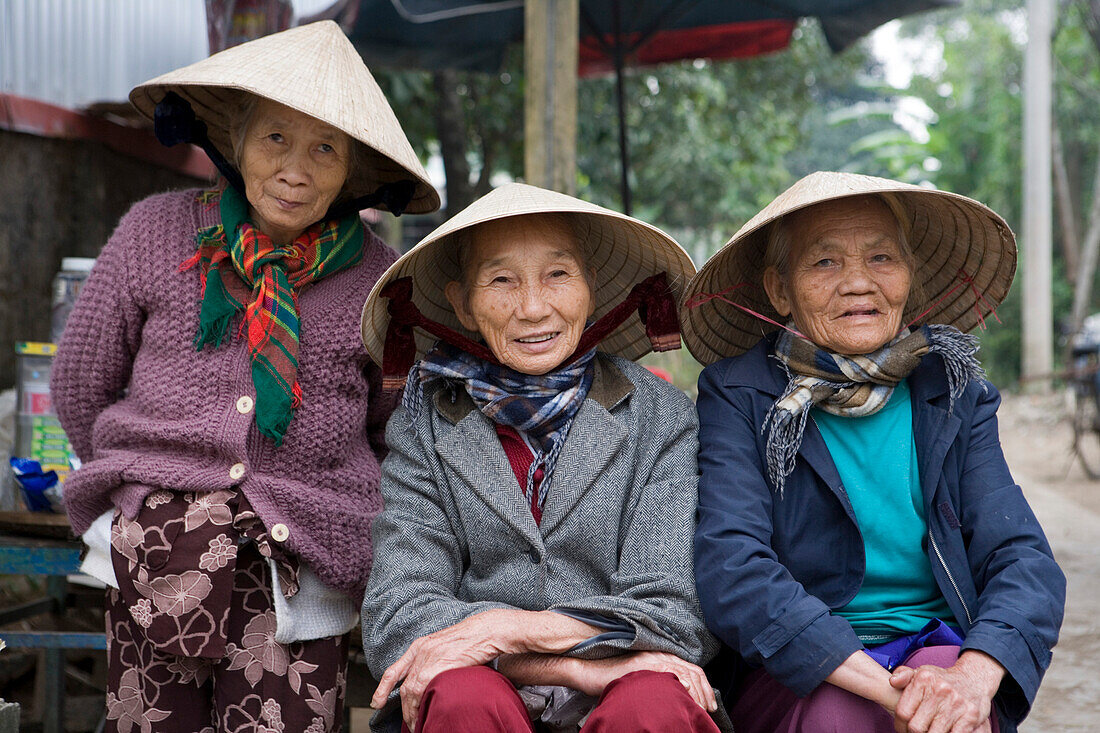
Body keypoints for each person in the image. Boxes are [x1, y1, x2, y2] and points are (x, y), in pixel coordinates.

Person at [50, 21, 438, 732]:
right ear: (236, 143)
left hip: (306, 560)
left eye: (325, 148)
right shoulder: (155, 231)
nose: (296, 168)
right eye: (276, 140)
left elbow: (401, 429)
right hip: (155, 553)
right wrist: (136, 483)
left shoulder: (379, 280)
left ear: (352, 170)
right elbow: (80, 385)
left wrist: (350, 510)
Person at [681, 172, 1065, 733]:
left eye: (882, 258)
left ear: (910, 276)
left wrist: (971, 680)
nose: (859, 283)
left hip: (938, 646)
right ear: (779, 290)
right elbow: (733, 568)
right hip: (801, 663)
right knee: (841, 718)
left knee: (953, 722)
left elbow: (1023, 559)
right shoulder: (741, 393)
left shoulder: (953, 389)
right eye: (824, 263)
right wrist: (891, 693)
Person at [358, 182, 724, 733]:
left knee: (651, 703)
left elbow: (673, 616)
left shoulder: (659, 415)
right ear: (462, 303)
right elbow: (398, 614)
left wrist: (501, 629)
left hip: (621, 690)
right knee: (461, 697)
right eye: (501, 280)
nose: (533, 308)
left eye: (558, 275)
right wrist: (568, 667)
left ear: (591, 287)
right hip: (497, 689)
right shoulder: (428, 417)